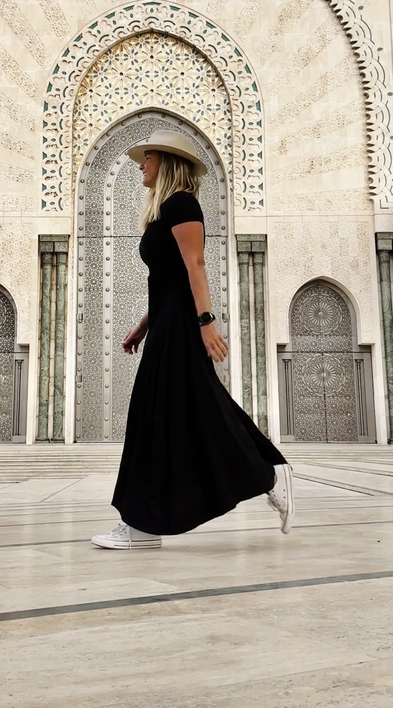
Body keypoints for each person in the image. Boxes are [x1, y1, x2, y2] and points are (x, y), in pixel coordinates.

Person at [91, 131, 294, 550]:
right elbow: (167, 281)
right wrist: (144, 325)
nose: (140, 165)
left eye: (146, 158)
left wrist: (205, 322)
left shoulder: (182, 203)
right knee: (183, 409)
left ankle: (147, 524)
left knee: (169, 411)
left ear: (165, 162)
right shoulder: (163, 210)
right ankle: (263, 474)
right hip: (167, 322)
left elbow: (195, 265)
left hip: (182, 326)